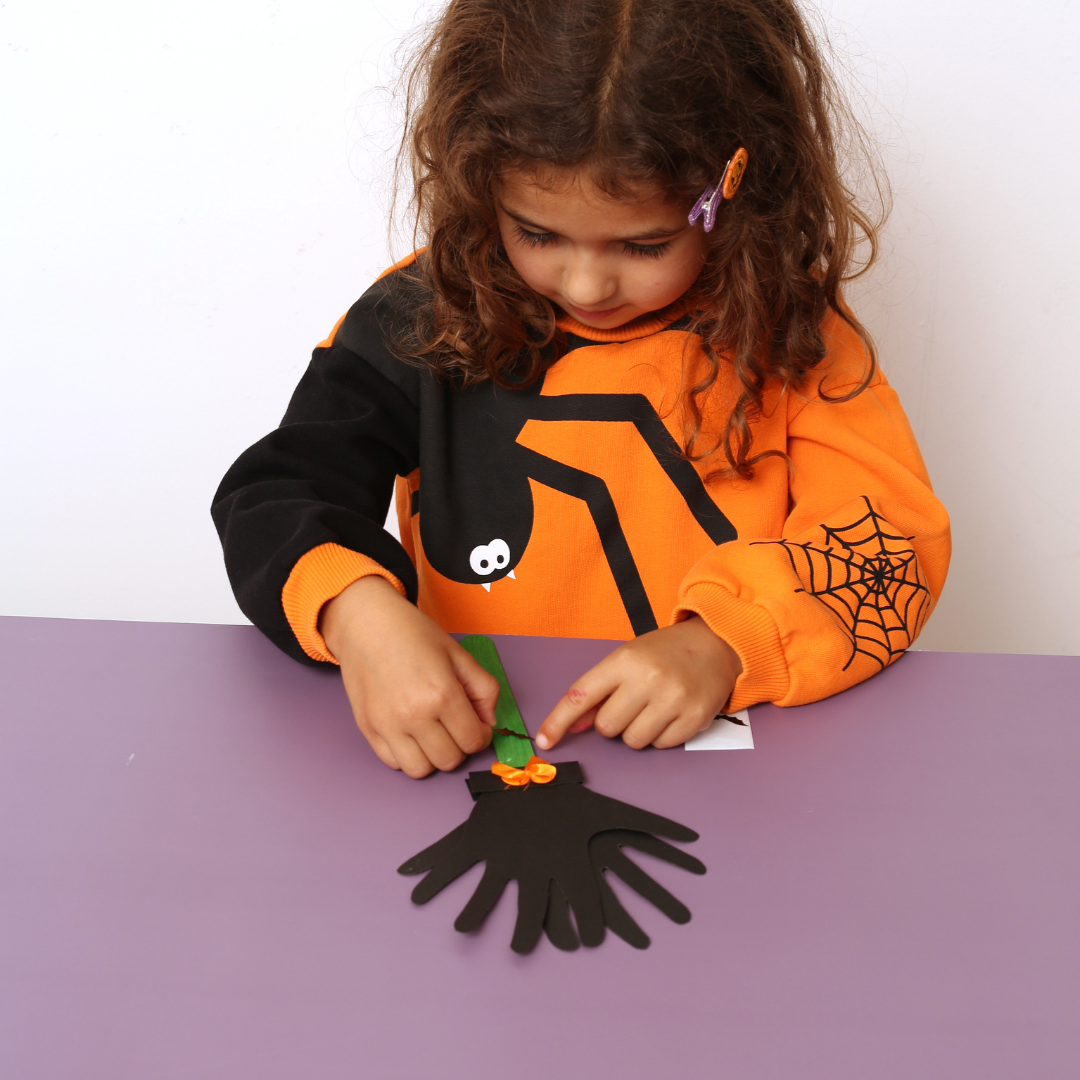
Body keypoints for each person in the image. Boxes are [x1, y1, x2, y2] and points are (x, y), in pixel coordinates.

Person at [212, 0, 950, 779]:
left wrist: (728, 643)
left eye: (643, 243)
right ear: (480, 181)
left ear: (733, 190)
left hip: (742, 773)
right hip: (485, 766)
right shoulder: (419, 319)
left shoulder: (793, 330)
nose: (587, 282)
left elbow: (889, 545)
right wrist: (359, 616)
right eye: (537, 233)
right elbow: (275, 495)